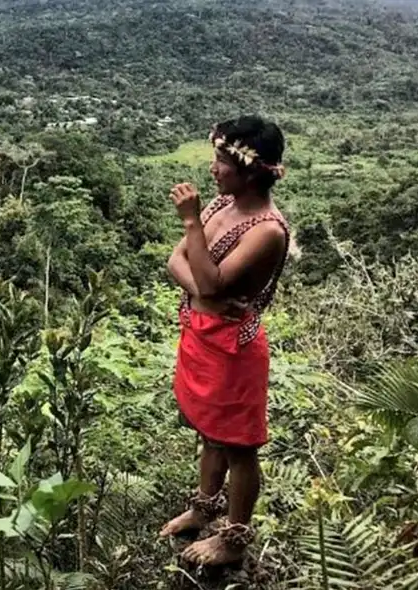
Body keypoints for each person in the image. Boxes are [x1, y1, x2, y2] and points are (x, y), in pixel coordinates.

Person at [159, 115, 290, 566]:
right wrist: (205, 292)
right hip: (201, 334)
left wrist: (192, 224)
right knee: (211, 435)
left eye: (221, 161)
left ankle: (233, 541)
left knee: (239, 445)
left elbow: (209, 279)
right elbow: (176, 262)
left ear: (251, 170)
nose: (212, 169)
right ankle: (203, 509)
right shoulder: (220, 205)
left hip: (234, 348)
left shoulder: (266, 231)